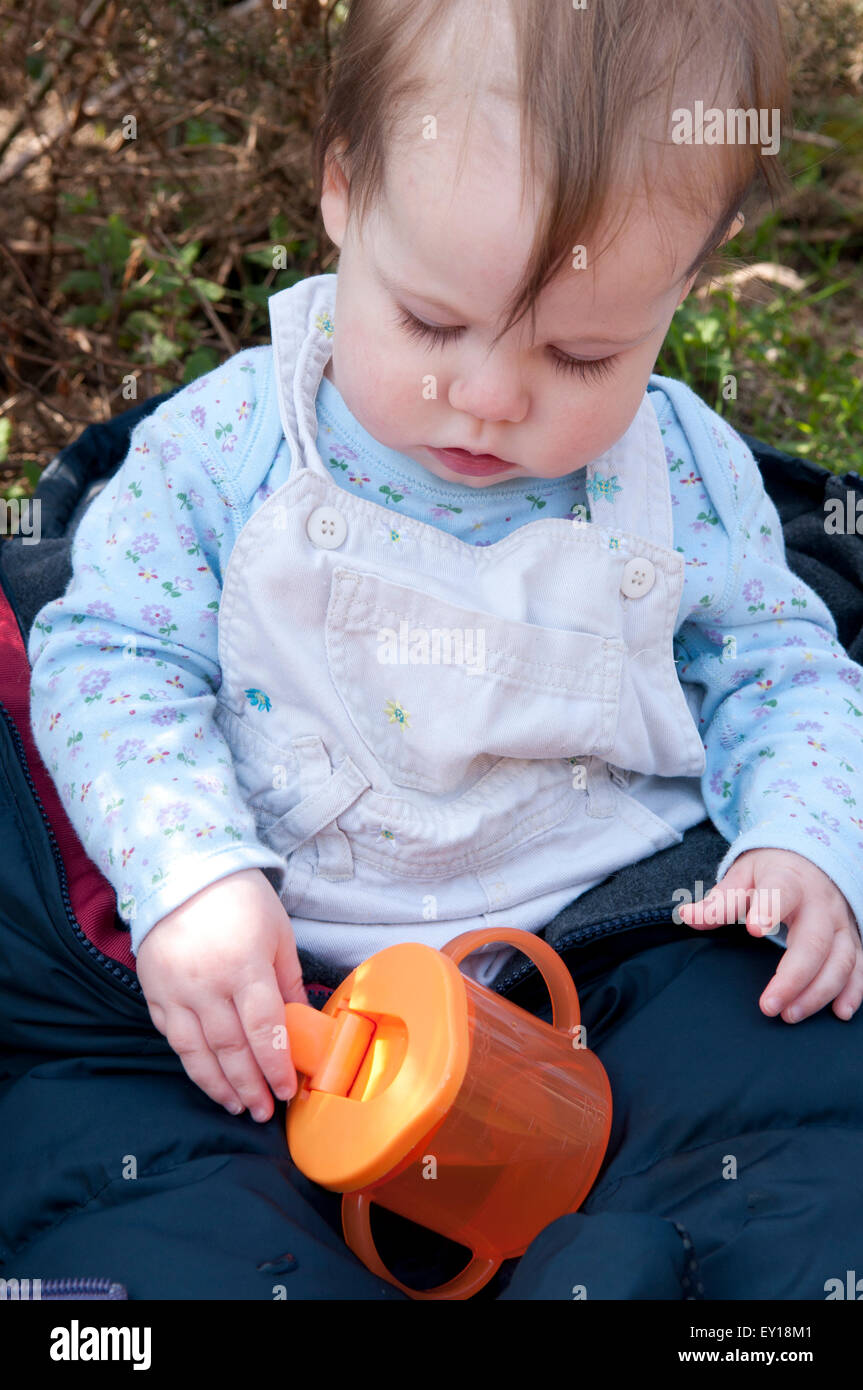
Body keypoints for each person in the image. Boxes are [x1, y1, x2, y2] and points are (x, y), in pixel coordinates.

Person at [27, 0, 863, 1161]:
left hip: (615, 949)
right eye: (428, 324)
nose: (487, 398)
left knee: (791, 1111)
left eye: (581, 353)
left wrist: (803, 840)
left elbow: (781, 667)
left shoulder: (675, 476)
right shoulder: (228, 449)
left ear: (685, 284)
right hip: (289, 978)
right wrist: (188, 870)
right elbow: (109, 651)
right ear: (342, 190)